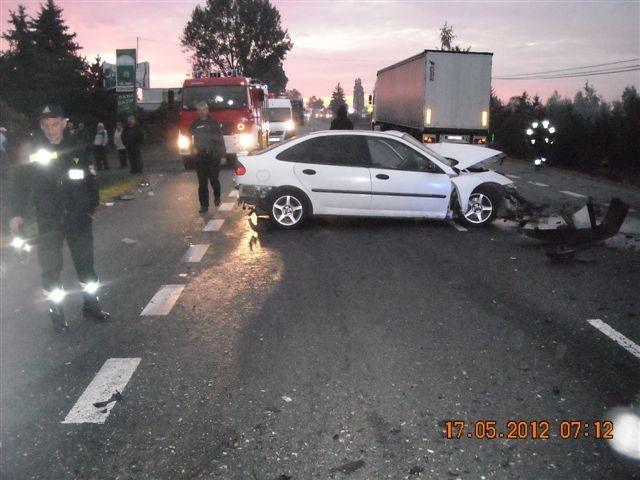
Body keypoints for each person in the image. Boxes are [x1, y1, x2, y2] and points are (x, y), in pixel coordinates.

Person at [9, 104, 110, 332]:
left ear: (64, 123)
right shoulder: (33, 150)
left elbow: (90, 179)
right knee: (51, 268)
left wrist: (90, 206)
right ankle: (57, 312)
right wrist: (16, 213)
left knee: (86, 265)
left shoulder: (77, 146)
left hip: (78, 216)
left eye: (55, 124)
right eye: (45, 125)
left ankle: (91, 305)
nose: (51, 130)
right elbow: (20, 185)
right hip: (49, 219)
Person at [189, 100, 227, 213]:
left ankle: (217, 196)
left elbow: (220, 140)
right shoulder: (194, 124)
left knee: (214, 179)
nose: (202, 112)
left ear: (207, 110)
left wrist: (223, 156)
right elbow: (189, 139)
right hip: (200, 157)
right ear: (197, 111)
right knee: (202, 182)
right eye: (200, 110)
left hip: (213, 156)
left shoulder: (213, 123)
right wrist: (193, 148)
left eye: (204, 110)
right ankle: (204, 205)